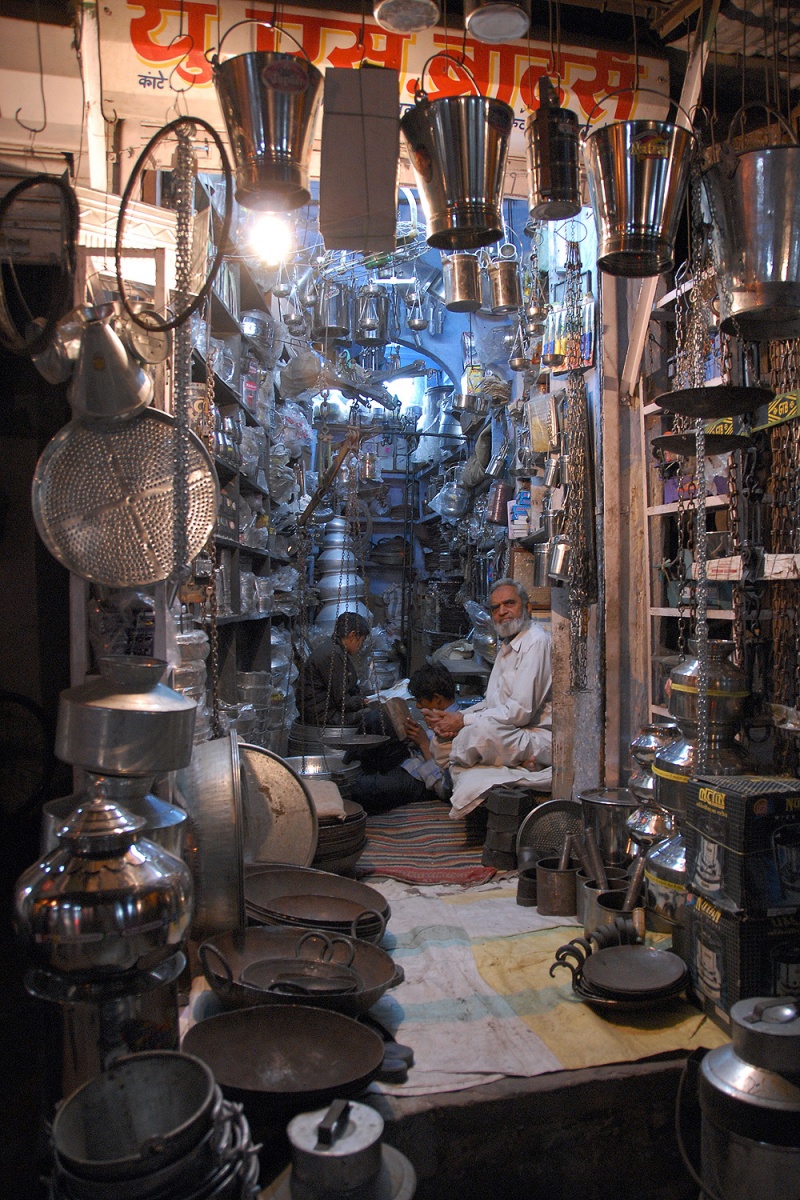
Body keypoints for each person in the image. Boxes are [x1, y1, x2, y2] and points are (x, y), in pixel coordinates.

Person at [421, 578, 553, 818]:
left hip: (533, 734)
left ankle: (524, 761)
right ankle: (511, 761)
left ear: (527, 607)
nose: (502, 612)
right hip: (511, 730)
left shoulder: (536, 642)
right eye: (495, 608)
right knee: (440, 741)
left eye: (509, 604)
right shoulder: (507, 646)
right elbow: (491, 703)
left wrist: (462, 723)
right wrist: (456, 716)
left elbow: (519, 713)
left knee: (477, 734)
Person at [349, 662, 457, 814]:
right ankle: (349, 764)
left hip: (423, 778)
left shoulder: (458, 729)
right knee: (375, 718)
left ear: (437, 699)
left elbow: (443, 788)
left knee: (362, 788)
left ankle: (366, 778)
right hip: (411, 755)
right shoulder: (438, 714)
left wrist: (424, 744)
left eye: (420, 701)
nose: (418, 706)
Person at [296, 611, 370, 728]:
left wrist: (372, 695)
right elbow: (343, 702)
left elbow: (349, 688)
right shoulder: (332, 655)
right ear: (352, 635)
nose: (360, 646)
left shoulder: (335, 649)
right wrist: (364, 702)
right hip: (323, 714)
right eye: (361, 640)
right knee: (373, 717)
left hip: (328, 708)